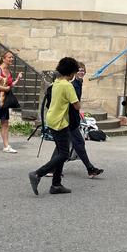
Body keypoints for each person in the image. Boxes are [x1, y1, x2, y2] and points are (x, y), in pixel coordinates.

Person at [29, 57, 80, 195]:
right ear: (70, 73)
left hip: (51, 118)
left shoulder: (56, 82)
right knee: (64, 154)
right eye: (74, 73)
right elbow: (77, 105)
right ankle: (37, 174)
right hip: (60, 122)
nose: (74, 76)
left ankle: (56, 185)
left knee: (60, 150)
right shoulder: (68, 85)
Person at [67, 61, 104, 178]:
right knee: (73, 144)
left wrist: (78, 113)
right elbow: (73, 103)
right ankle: (51, 169)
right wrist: (77, 110)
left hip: (73, 118)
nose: (81, 72)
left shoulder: (79, 83)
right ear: (74, 72)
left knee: (70, 145)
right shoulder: (74, 85)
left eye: (83, 70)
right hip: (70, 120)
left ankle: (90, 169)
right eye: (79, 70)